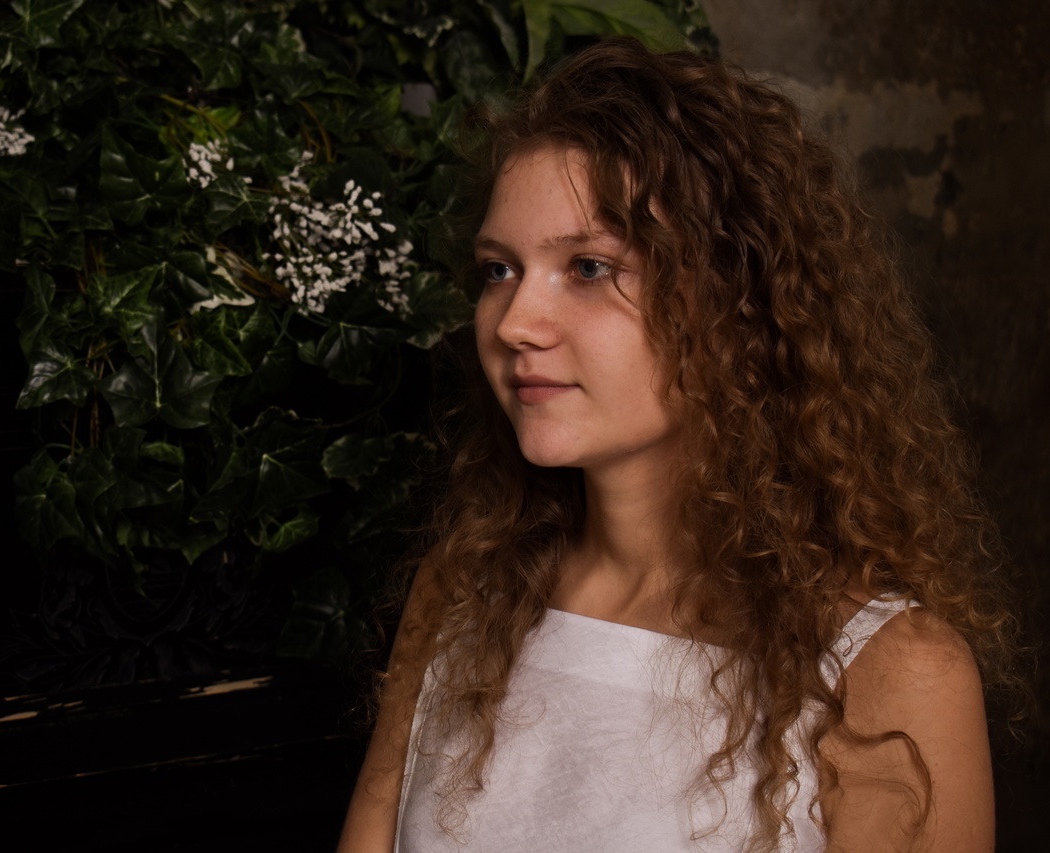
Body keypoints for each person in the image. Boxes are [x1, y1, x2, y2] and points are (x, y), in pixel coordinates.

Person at [338, 37, 1021, 852]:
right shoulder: (462, 593)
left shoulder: (888, 671)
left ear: (736, 304)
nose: (515, 322)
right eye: (498, 270)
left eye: (588, 267)